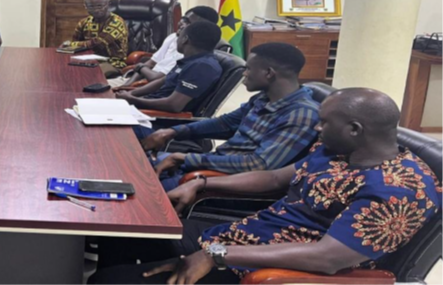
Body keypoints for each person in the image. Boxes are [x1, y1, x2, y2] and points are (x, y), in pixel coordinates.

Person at [89, 88, 440, 285]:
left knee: (109, 281)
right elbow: (274, 178)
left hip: (275, 271)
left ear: (354, 129)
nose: (316, 130)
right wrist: (199, 182)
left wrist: (217, 254)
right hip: (243, 237)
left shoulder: (398, 189)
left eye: (323, 123)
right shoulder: (338, 152)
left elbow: (328, 258)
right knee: (126, 228)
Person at [140, 42, 319, 190]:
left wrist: (187, 159)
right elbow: (224, 124)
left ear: (269, 73)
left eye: (248, 69)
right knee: (136, 166)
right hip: (213, 165)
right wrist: (173, 132)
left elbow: (258, 165)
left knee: (141, 190)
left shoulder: (301, 115)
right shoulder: (264, 98)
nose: (244, 73)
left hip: (227, 183)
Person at [115, 22, 222, 116]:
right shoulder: (190, 60)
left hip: (156, 117)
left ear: (185, 39)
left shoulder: (202, 67)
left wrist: (134, 100)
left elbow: (174, 105)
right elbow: (161, 81)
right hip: (145, 105)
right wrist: (131, 94)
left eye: (179, 36)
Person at [116, 6, 220, 89]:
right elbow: (151, 63)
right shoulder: (173, 37)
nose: (182, 24)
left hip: (149, 86)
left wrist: (140, 68)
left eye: (188, 23)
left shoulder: (191, 52)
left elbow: (157, 79)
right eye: (184, 19)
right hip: (137, 81)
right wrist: (126, 85)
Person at [62, 0, 128, 75]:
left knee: (91, 74)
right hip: (87, 60)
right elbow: (75, 45)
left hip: (113, 62)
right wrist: (69, 47)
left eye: (100, 6)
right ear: (85, 7)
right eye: (91, 7)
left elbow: (98, 43)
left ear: (108, 5)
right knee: (67, 70)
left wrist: (71, 44)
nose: (96, 10)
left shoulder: (116, 22)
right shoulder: (84, 22)